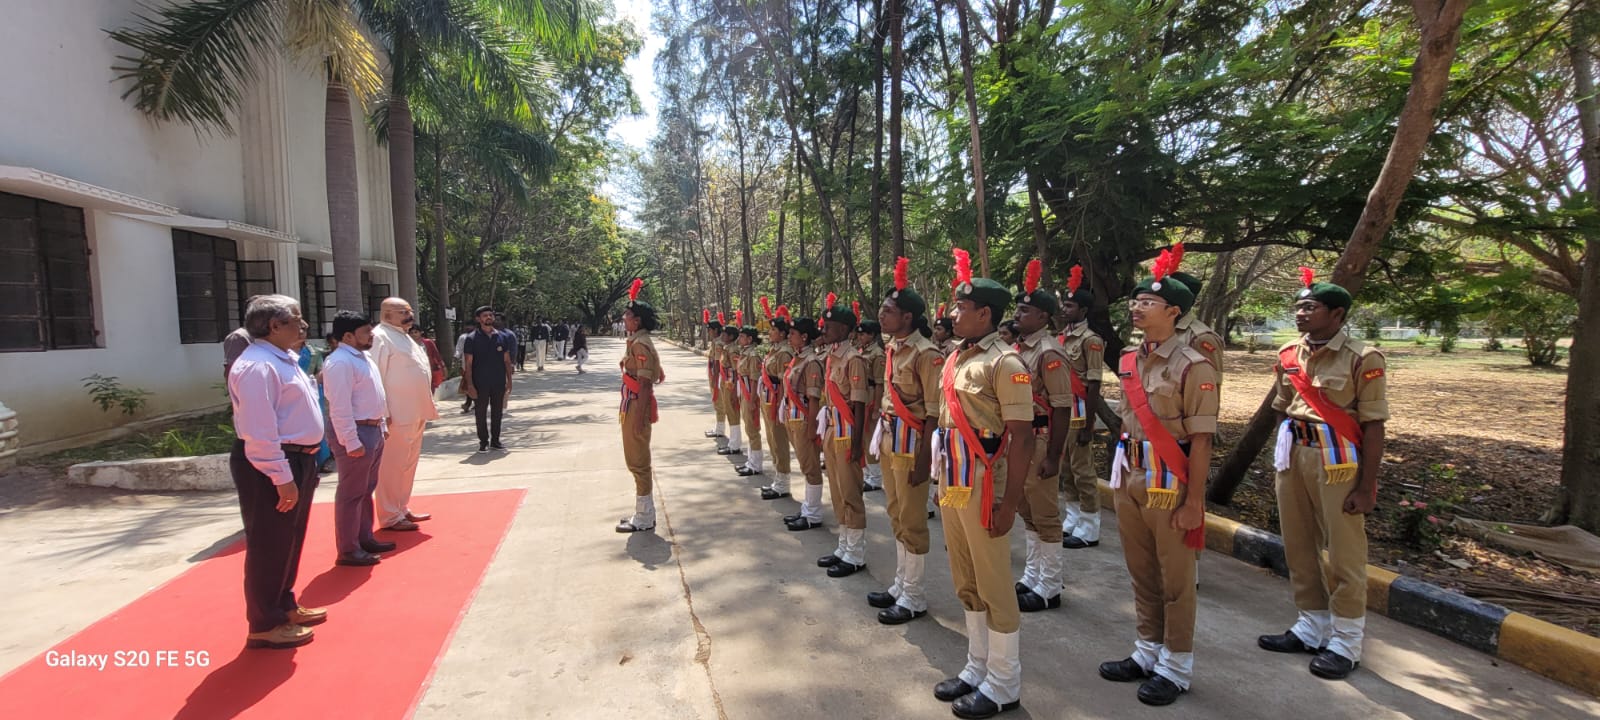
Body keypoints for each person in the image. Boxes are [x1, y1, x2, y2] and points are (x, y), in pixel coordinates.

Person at [1098, 249, 1217, 707]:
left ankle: (1176, 664)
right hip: (1130, 474)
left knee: (1176, 580)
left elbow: (1201, 441)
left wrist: (1195, 502)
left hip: (1170, 481)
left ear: (1174, 312)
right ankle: (1147, 649)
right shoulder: (1130, 360)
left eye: (1149, 302)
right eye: (1136, 300)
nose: (1137, 307)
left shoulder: (1193, 365)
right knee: (1141, 571)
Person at [1257, 268, 1387, 681]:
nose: (1300, 313)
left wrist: (1366, 486)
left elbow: (1373, 425)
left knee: (1345, 553)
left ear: (1337, 315)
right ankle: (1311, 625)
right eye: (1298, 307)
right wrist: (1281, 455)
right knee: (1298, 543)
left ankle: (1346, 641)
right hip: (1295, 454)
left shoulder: (1363, 358)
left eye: (1310, 307)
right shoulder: (1289, 354)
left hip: (1338, 460)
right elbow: (1281, 407)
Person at [931, 251, 1034, 719]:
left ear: (985, 314)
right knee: (966, 579)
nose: (953, 314)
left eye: (961, 307)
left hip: (984, 483)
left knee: (994, 584)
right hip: (952, 480)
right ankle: (977, 666)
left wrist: (1010, 503)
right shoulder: (956, 358)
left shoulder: (1005, 363)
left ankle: (1005, 682)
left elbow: (1022, 436)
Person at [227, 294, 326, 649]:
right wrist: (281, 477)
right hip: (272, 462)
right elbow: (259, 430)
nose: (303, 326)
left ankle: (284, 605)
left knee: (289, 539)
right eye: (296, 319)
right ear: (274, 325)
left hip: (298, 458)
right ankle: (264, 623)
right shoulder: (257, 366)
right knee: (269, 543)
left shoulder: (283, 358)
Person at [867, 257, 943, 626]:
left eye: (889, 311)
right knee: (896, 513)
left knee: (912, 519)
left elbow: (933, 413)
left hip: (912, 444)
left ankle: (914, 594)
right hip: (890, 440)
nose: (882, 316)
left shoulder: (927, 354)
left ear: (908, 317)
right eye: (883, 310)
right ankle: (901, 583)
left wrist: (925, 461)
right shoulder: (893, 348)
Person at [1009, 259, 1074, 613]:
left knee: (1045, 513)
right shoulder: (1021, 348)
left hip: (1041, 438)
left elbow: (1062, 407)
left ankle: (1050, 586)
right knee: (1026, 508)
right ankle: (1033, 575)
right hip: (1020, 439)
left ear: (1044, 317)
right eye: (1018, 309)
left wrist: (1053, 456)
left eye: (1025, 311)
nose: (1018, 315)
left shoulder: (1050, 352)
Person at [322, 311, 396, 567]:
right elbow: (339, 406)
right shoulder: (340, 362)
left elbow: (374, 395)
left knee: (366, 489)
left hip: (371, 429)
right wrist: (350, 441)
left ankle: (364, 538)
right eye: (365, 332)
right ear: (348, 336)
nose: (371, 335)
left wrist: (381, 423)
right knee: (351, 493)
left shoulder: (363, 357)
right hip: (355, 431)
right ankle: (348, 549)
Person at [371, 297, 439, 531]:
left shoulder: (404, 336)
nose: (409, 316)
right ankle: (389, 515)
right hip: (396, 415)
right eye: (403, 312)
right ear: (387, 314)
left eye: (409, 311)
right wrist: (383, 412)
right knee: (392, 466)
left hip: (415, 412)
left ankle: (401, 507)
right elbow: (376, 377)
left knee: (407, 464)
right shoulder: (380, 337)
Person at [816, 295, 870, 578]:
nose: (824, 329)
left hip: (848, 433)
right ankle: (843, 546)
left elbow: (859, 404)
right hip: (832, 430)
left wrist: (858, 444)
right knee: (837, 492)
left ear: (845, 329)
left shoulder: (854, 359)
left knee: (851, 494)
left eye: (830, 326)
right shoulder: (832, 356)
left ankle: (856, 553)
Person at [1055, 267, 1106, 549]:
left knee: (1082, 471)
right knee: (1066, 470)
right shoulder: (1062, 337)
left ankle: (1090, 525)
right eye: (1064, 304)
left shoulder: (1091, 340)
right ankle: (1073, 518)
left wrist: (1089, 424)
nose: (1065, 309)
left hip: (1080, 413)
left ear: (1084, 310)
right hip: (1063, 413)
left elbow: (1094, 384)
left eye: (1070, 306)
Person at [616, 281, 665, 533]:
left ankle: (644, 516)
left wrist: (638, 418)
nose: (624, 318)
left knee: (638, 461)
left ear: (637, 321)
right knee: (635, 459)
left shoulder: (640, 344)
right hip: (632, 403)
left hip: (637, 405)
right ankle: (643, 511)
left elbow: (645, 383)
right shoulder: (635, 341)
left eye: (627, 315)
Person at [779, 316, 827, 531]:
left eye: (793, 334)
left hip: (805, 420)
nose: (789, 337)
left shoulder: (811, 362)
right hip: (793, 418)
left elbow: (814, 398)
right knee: (805, 465)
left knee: (811, 467)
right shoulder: (798, 358)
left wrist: (812, 428)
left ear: (805, 337)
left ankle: (813, 514)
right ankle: (808, 507)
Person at [757, 302, 796, 498]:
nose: (770, 333)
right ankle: (778, 478)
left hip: (777, 400)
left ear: (782, 333)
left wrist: (781, 405)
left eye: (773, 330)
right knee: (772, 438)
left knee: (779, 440)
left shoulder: (785, 353)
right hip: (768, 399)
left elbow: (784, 382)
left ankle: (783, 482)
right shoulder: (774, 350)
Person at [463, 305, 514, 452]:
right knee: (480, 412)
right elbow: (468, 364)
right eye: (485, 315)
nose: (489, 317)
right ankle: (483, 441)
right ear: (478, 319)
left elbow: (507, 361)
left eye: (490, 315)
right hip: (480, 383)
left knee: (497, 412)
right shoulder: (472, 338)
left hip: (498, 381)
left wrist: (509, 381)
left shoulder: (502, 337)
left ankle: (495, 441)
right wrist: (470, 385)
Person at [856, 318, 886, 492]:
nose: (860, 337)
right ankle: (867, 473)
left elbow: (879, 383)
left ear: (872, 335)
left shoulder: (877, 354)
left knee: (870, 438)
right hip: (862, 395)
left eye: (863, 334)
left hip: (871, 396)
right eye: (859, 334)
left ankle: (875, 477)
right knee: (862, 437)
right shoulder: (862, 351)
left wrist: (876, 408)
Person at [297, 340, 334, 473]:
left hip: (314, 392)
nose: (301, 332)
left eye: (304, 331)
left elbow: (321, 374)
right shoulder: (282, 352)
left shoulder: (313, 352)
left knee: (318, 423)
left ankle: (322, 460)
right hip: (292, 395)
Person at [734, 324, 766, 476]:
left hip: (749, 395)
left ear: (749, 339)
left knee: (752, 429)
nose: (739, 339)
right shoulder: (745, 353)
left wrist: (752, 400)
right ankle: (751, 461)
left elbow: (754, 379)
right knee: (748, 427)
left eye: (742, 336)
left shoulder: (753, 355)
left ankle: (756, 464)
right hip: (744, 393)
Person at [716, 320, 746, 457]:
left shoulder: (732, 350)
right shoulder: (727, 348)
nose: (722, 336)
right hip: (726, 382)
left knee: (733, 413)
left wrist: (734, 390)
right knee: (729, 412)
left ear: (731, 337)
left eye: (725, 334)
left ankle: (735, 445)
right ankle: (733, 443)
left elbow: (735, 370)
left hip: (730, 384)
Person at [702, 311, 728, 438]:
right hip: (714, 374)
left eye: (710, 330)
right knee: (717, 402)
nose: (709, 332)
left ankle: (720, 429)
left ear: (716, 330)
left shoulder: (718, 343)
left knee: (719, 402)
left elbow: (717, 362)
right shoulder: (715, 342)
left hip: (718, 375)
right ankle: (719, 427)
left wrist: (715, 379)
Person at [411, 325, 446, 392]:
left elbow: (437, 355)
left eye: (416, 332)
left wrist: (443, 367)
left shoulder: (428, 342)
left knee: (433, 388)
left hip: (430, 369)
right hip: (416, 371)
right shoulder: (408, 345)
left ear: (420, 332)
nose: (414, 334)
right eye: (411, 333)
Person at [456, 328, 475, 414]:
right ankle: (468, 403)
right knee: (468, 384)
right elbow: (459, 349)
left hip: (479, 365)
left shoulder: (480, 336)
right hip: (467, 365)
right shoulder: (463, 337)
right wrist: (456, 357)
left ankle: (469, 403)